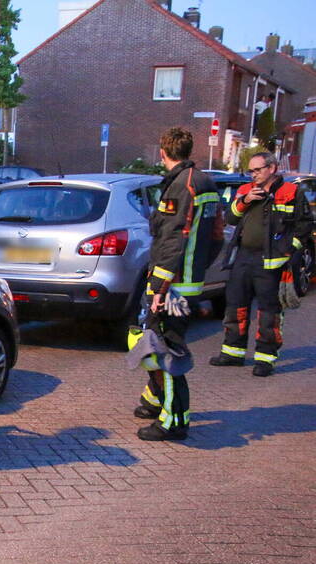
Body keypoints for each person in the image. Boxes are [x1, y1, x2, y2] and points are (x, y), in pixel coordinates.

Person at [129, 127, 222, 441]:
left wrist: (159, 287)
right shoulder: (205, 182)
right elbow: (217, 236)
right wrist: (198, 270)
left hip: (172, 286)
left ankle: (174, 422)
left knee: (167, 350)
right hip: (189, 281)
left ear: (162, 152)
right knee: (157, 342)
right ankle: (155, 400)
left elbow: (172, 241)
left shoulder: (181, 186)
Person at [210, 151, 311, 376]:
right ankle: (233, 353)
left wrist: (288, 250)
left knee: (268, 312)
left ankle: (265, 359)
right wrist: (245, 201)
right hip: (243, 257)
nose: (253, 175)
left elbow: (304, 226)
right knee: (235, 305)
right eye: (251, 171)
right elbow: (230, 218)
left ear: (272, 168)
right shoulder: (246, 190)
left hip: (272, 262)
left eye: (257, 170)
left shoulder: (291, 192)